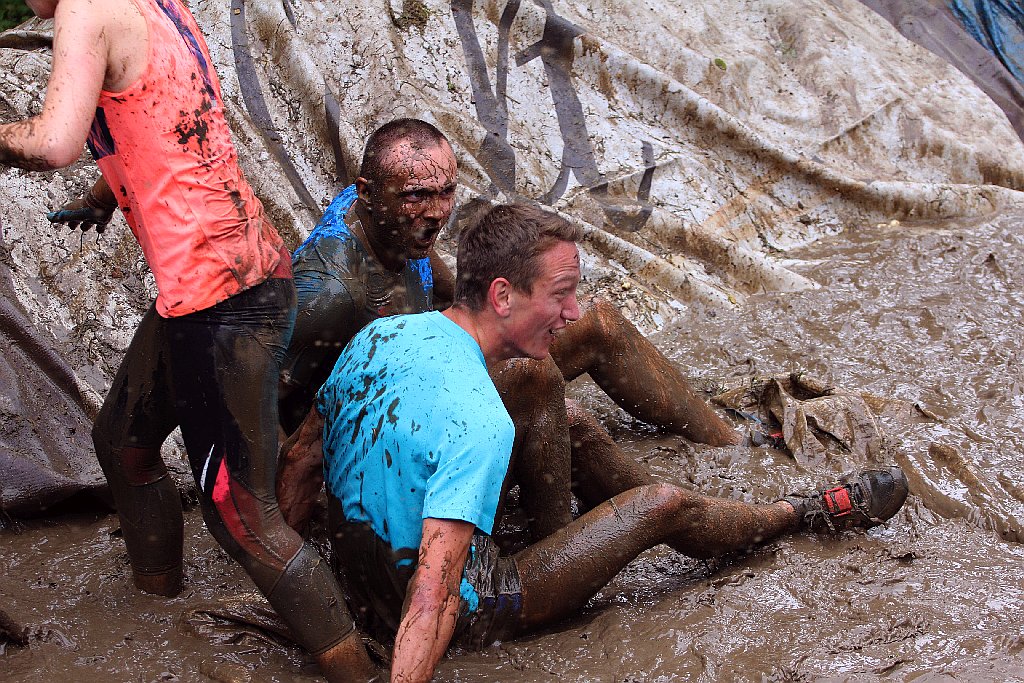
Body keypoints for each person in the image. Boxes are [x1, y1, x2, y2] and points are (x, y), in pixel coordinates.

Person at [317, 202, 910, 682]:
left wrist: (313, 589)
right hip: (476, 602)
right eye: (561, 294)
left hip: (366, 563)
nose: (574, 312)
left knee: (571, 421)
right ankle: (802, 513)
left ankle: (639, 518)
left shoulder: (381, 337)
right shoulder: (480, 423)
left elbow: (298, 462)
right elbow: (436, 596)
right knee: (661, 506)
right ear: (502, 296)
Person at [0, 1, 374, 679]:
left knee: (241, 515)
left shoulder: (84, 10)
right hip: (225, 274)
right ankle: (157, 611)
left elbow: (53, 139)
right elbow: (171, 114)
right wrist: (107, 190)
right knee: (124, 442)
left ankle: (363, 670)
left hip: (221, 300)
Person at [276, 118, 740, 538]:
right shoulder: (329, 292)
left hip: (434, 372)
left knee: (599, 324)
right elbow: (268, 418)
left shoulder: (397, 219)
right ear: (367, 194)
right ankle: (587, 538)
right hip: (388, 436)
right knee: (544, 394)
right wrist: (289, 540)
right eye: (418, 197)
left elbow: (446, 287)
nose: (437, 213)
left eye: (446, 192)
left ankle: (731, 446)